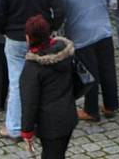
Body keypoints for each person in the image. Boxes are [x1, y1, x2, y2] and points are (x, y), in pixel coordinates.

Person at [0, 0, 65, 141]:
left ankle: (15, 127)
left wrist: (4, 31)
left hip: (15, 39)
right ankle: (43, 122)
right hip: (41, 39)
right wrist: (50, 28)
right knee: (45, 80)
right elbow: (60, 9)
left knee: (16, 82)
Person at [51, 0, 119, 122]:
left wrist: (61, 35)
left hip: (81, 33)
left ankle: (91, 110)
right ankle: (111, 105)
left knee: (89, 72)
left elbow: (60, 13)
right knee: (107, 68)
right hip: (103, 28)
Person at [20, 15, 78, 158]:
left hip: (50, 125)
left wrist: (27, 131)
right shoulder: (65, 53)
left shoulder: (33, 68)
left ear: (29, 38)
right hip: (68, 117)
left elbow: (30, 102)